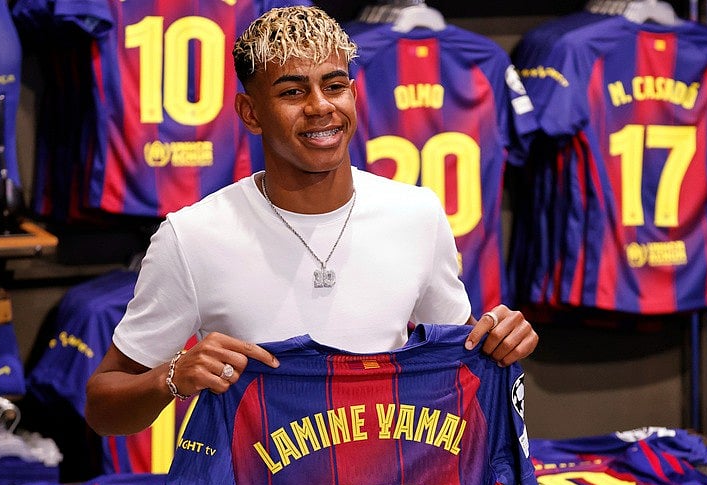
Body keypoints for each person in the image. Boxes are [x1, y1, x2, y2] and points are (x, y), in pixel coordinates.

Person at [85, 5, 540, 438]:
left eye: (334, 85)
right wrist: (172, 378)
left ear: (354, 96)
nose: (320, 106)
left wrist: (500, 340)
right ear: (251, 113)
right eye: (292, 91)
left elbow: (461, 363)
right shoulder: (192, 237)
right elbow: (103, 407)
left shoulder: (417, 214)